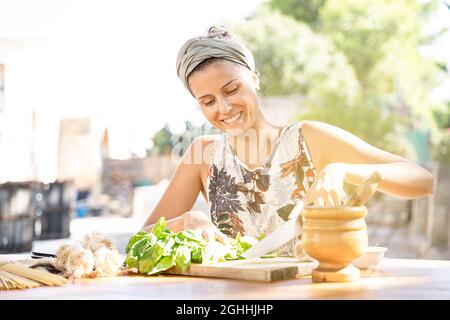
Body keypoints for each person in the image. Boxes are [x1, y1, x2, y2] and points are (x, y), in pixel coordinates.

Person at [142, 26, 434, 256]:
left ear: (254, 79)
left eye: (231, 89)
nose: (224, 107)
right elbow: (140, 241)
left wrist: (342, 171)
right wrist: (183, 223)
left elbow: (422, 180)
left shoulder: (308, 139)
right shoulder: (203, 154)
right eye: (207, 101)